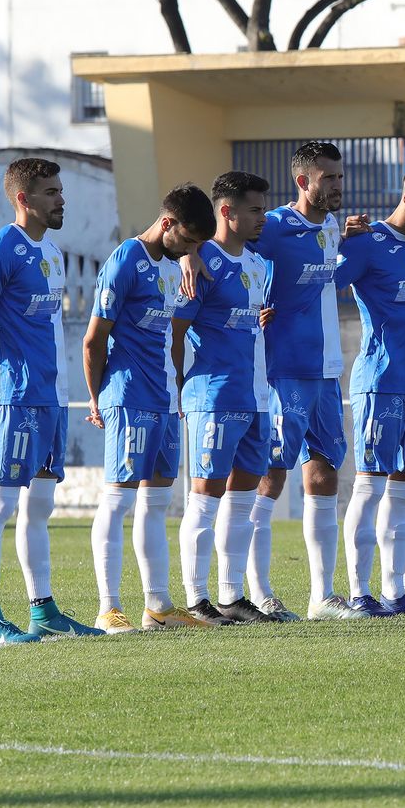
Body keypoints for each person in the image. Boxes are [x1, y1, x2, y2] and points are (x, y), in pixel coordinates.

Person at [0, 157, 103, 643]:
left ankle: (43, 610)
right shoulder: (2, 249)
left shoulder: (54, 252)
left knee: (39, 506)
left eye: (60, 191)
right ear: (23, 199)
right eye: (50, 192)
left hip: (52, 396)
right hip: (18, 394)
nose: (60, 199)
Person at [82, 184, 214, 633]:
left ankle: (157, 606)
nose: (194, 251)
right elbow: (94, 339)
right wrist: (97, 398)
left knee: (156, 504)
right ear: (168, 224)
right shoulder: (125, 261)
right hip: (128, 396)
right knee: (117, 500)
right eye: (190, 241)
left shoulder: (172, 262)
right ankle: (108, 607)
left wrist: (189, 255)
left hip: (163, 398)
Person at [246, 142, 369, 621]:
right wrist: (247, 302)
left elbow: (326, 274)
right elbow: (227, 251)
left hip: (327, 370)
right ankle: (258, 593)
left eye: (340, 177)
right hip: (284, 371)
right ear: (303, 181)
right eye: (329, 179)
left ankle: (322, 596)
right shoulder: (275, 226)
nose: (338, 186)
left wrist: (349, 233)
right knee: (270, 474)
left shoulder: (332, 227)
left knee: (323, 472)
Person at [334, 167, 405, 616]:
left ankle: (395, 591)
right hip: (381, 384)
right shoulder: (366, 244)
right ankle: (359, 593)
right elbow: (320, 284)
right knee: (368, 487)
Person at [170, 173, 275, 627]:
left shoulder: (256, 264)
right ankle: (197, 599)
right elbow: (176, 330)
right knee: (205, 498)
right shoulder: (200, 261)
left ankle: (232, 595)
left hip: (256, 396)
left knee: (243, 499)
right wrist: (176, 386)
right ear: (226, 212)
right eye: (253, 209)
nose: (261, 217)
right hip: (213, 395)